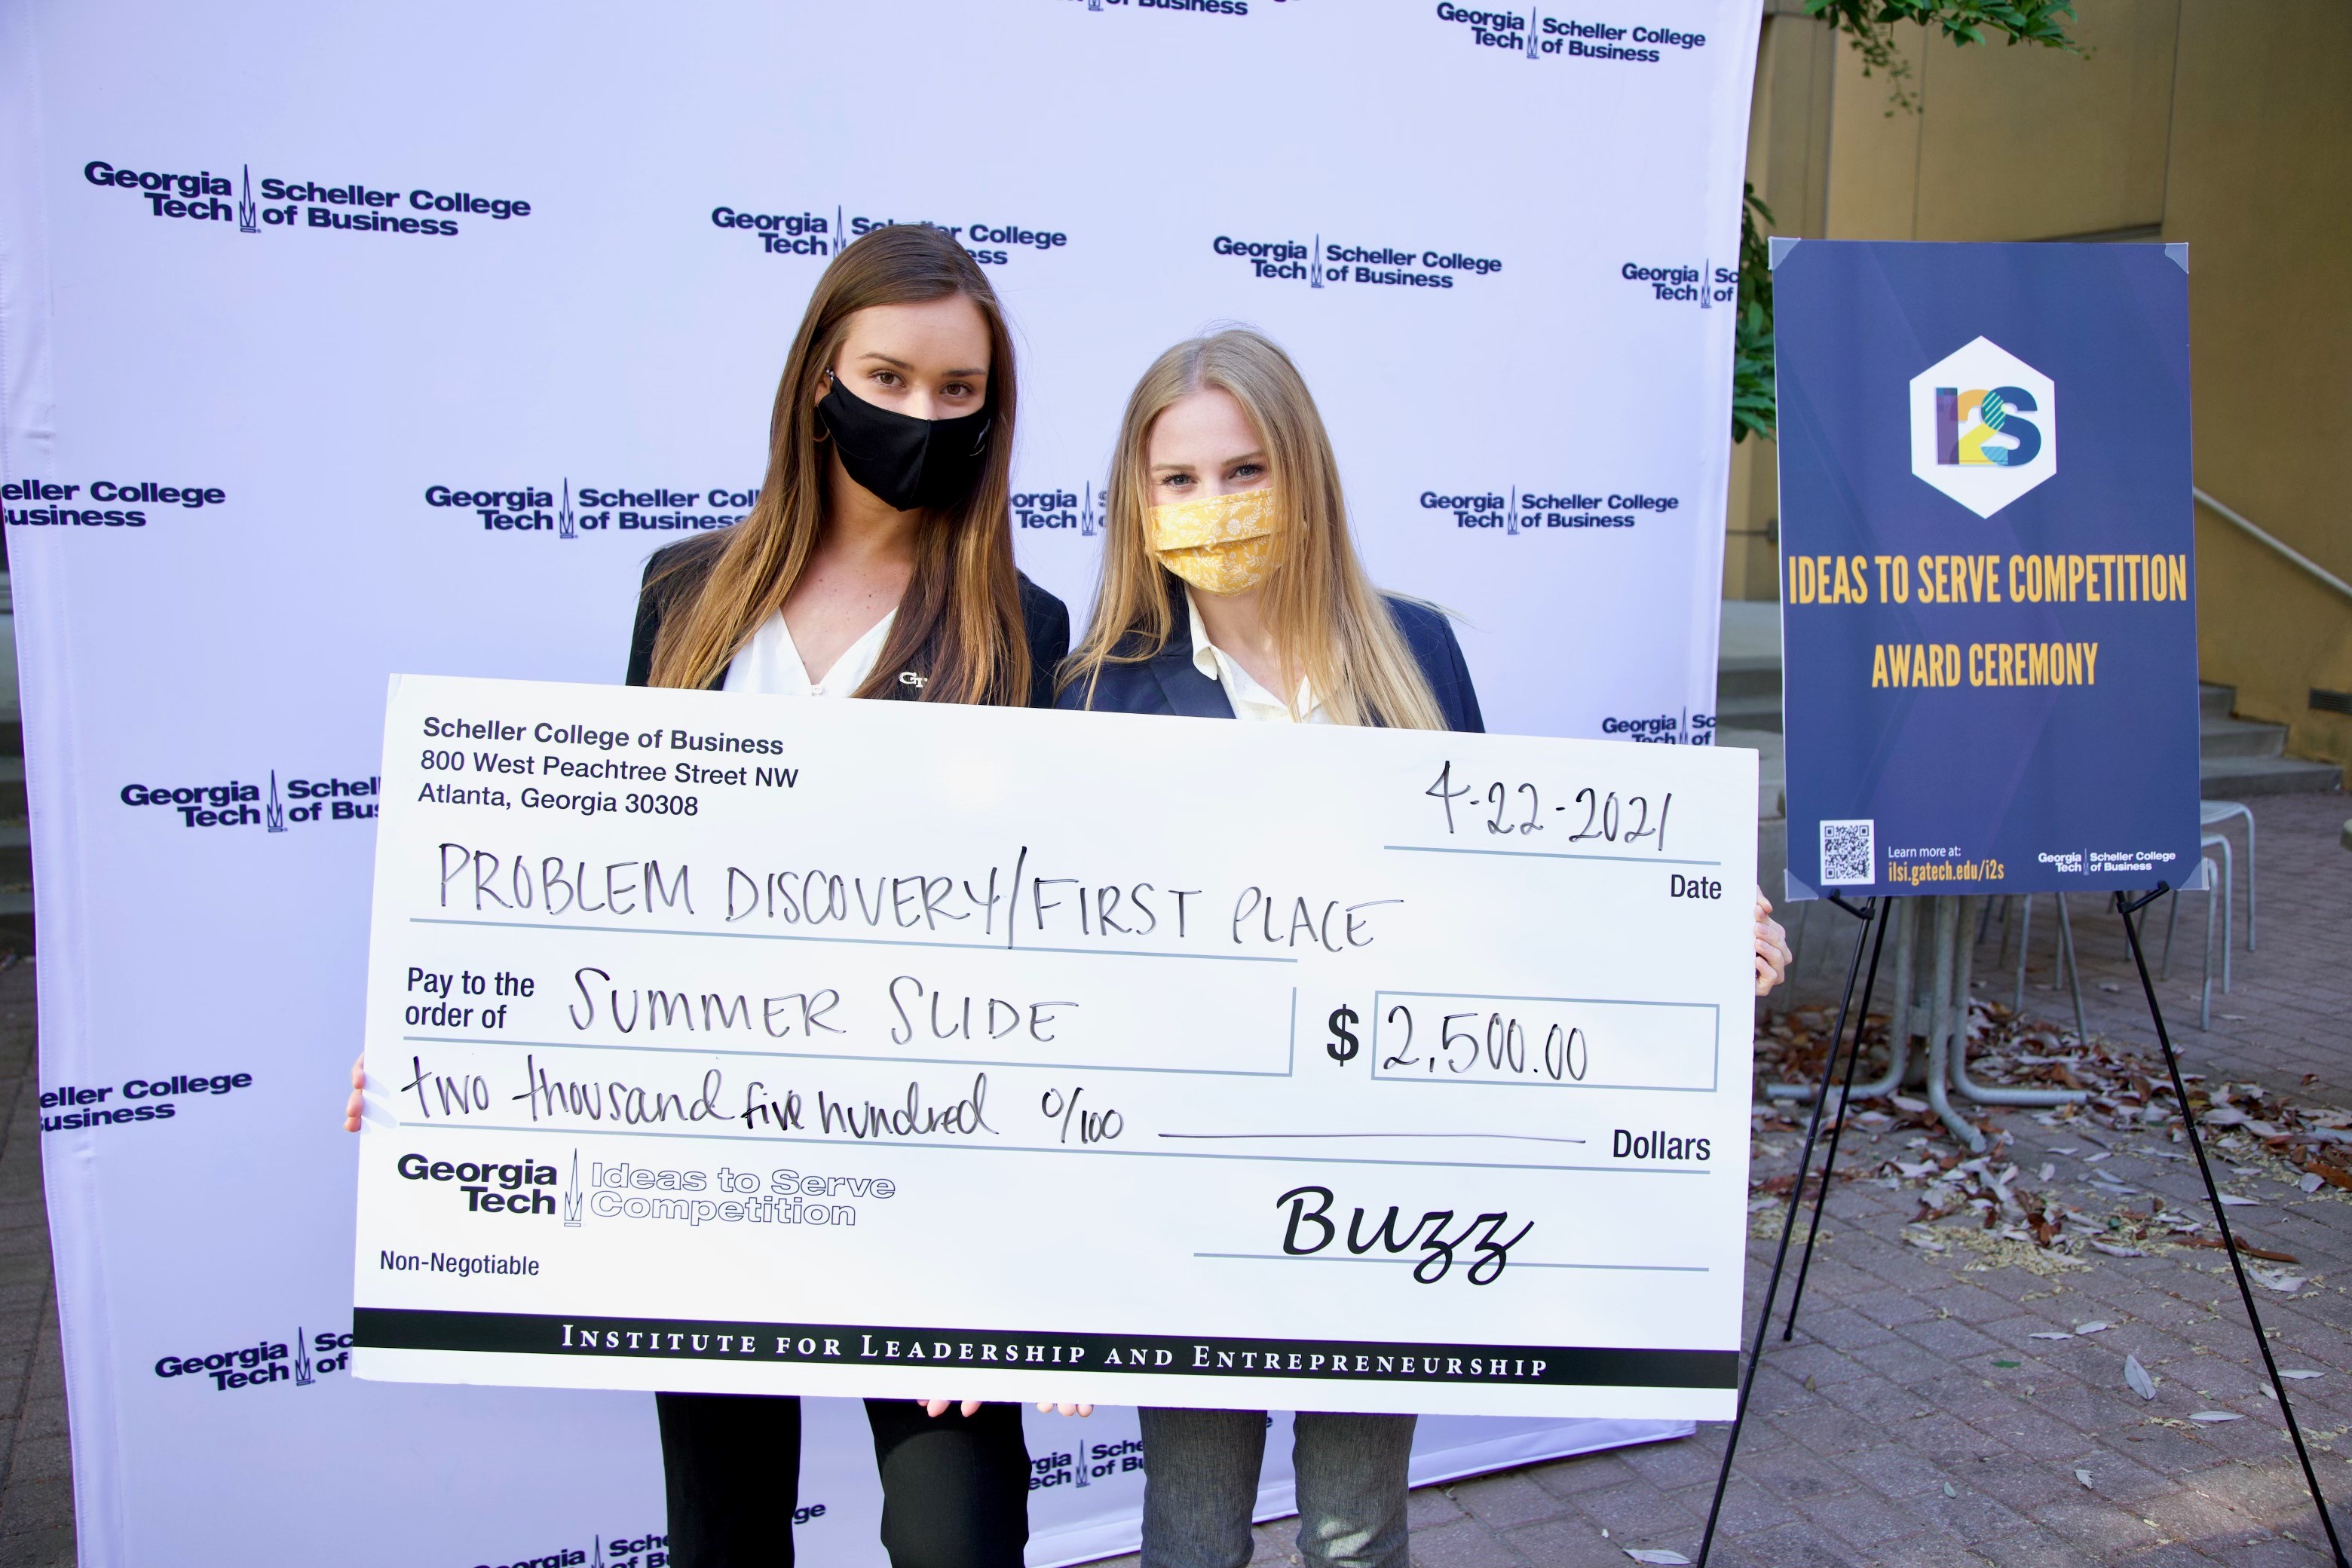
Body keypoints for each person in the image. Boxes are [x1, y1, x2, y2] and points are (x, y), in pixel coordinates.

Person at [346, 222, 1076, 1568]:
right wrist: (455, 1060)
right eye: (891, 376)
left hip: (925, 1175)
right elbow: (602, 893)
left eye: (959, 390)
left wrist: (1023, 1247)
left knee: (957, 1539)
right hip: (706, 1171)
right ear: (818, 378)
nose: (922, 413)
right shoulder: (686, 592)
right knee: (726, 1538)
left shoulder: (1022, 626)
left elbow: (1045, 944)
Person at [1056, 327, 1793, 1568]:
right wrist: (1054, 1268)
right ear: (1137, 500)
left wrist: (1685, 941)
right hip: (1186, 1181)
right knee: (1189, 1535)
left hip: (1383, 1174)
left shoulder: (1415, 652)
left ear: (1305, 473)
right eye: (1176, 480)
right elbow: (1066, 986)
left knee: (1354, 1530)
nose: (1213, 503)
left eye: (1244, 469)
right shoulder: (1092, 694)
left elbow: (1505, 898)